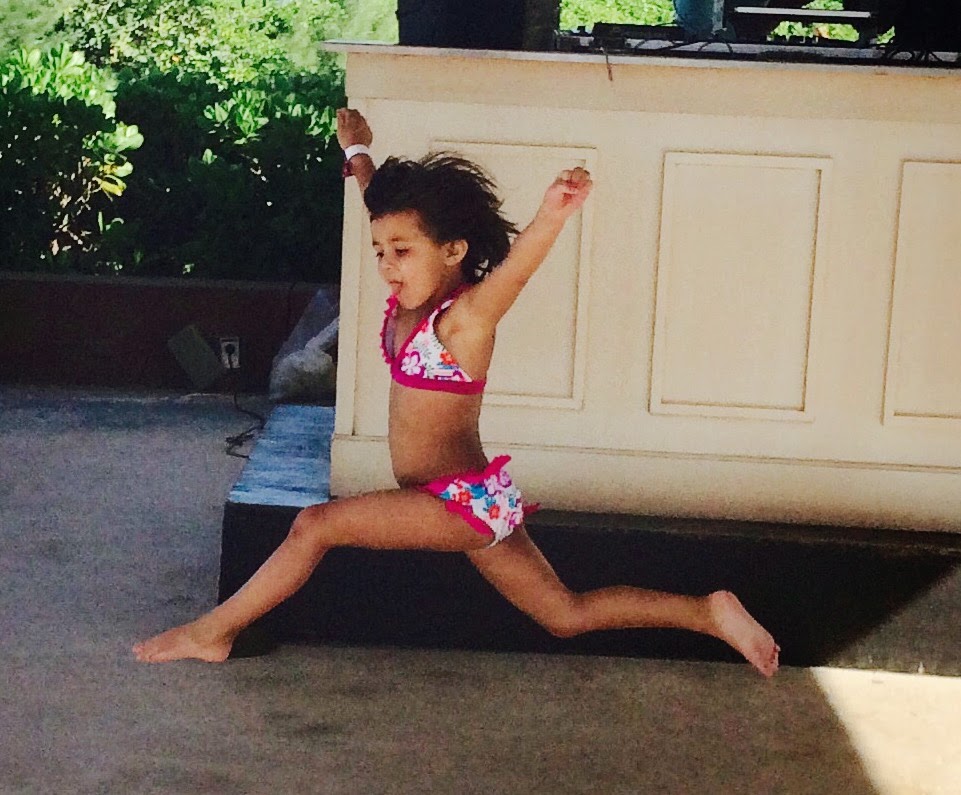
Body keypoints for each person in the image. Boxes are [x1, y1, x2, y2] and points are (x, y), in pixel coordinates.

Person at [133, 108, 780, 677]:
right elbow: (381, 203)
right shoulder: (412, 296)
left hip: (453, 503)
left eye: (401, 252)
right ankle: (707, 611)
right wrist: (357, 150)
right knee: (565, 614)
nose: (386, 265)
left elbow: (517, 271)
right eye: (379, 251)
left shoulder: (464, 321)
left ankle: (213, 631)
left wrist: (552, 213)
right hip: (473, 498)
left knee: (314, 525)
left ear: (453, 251)